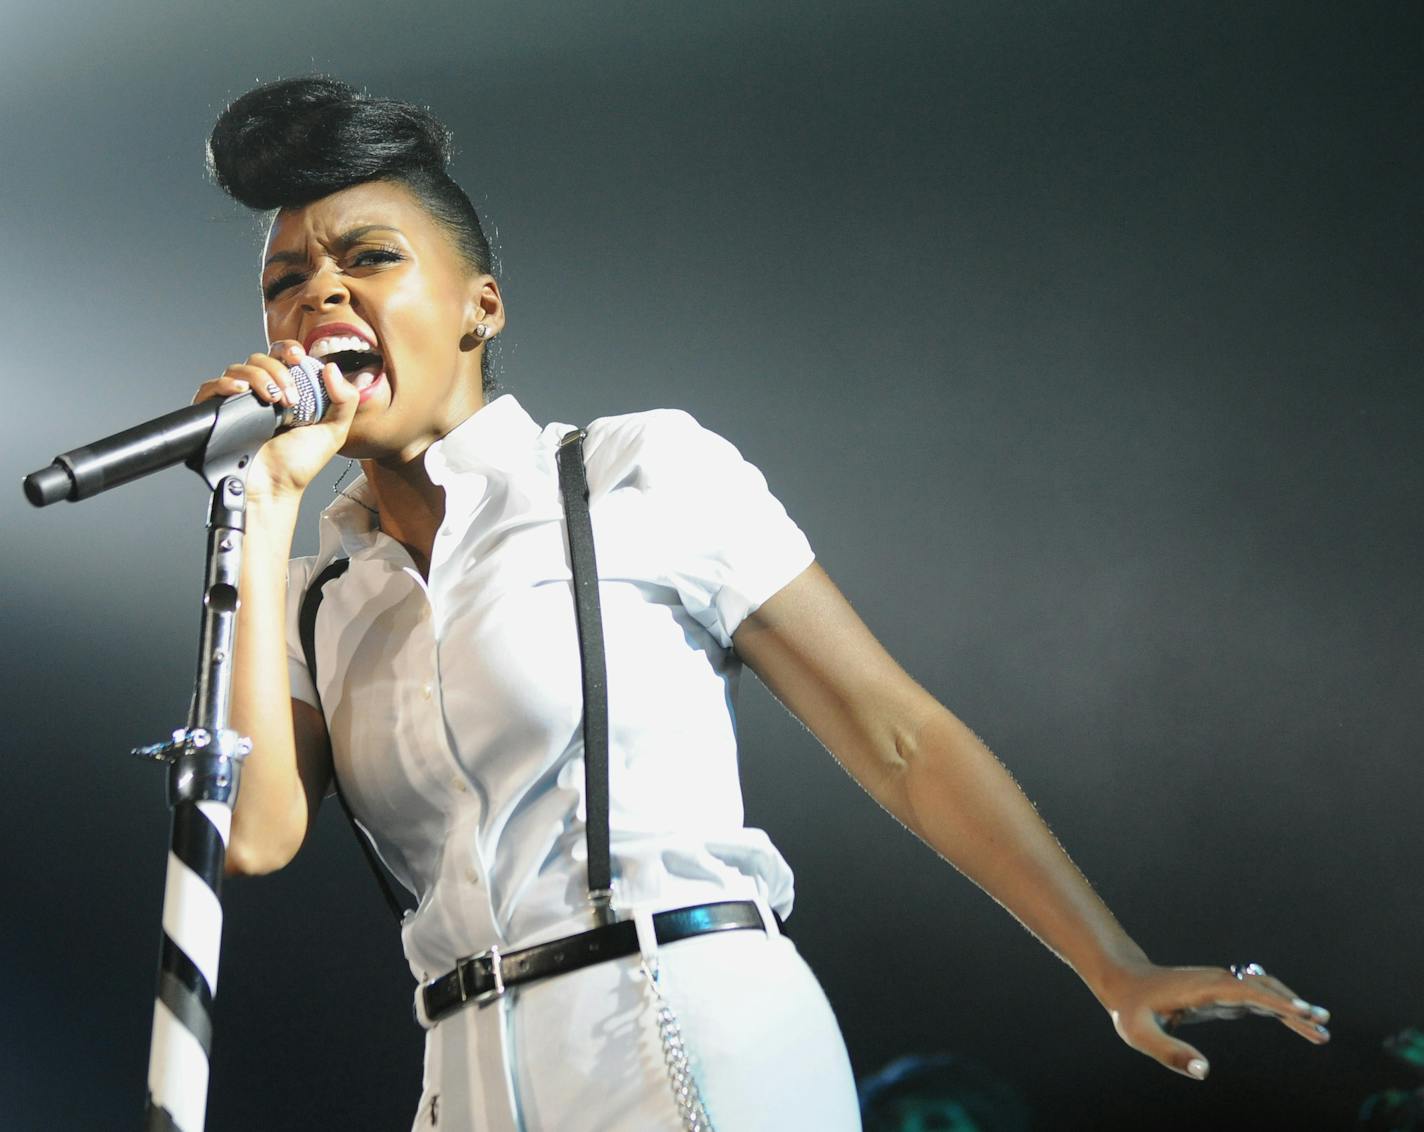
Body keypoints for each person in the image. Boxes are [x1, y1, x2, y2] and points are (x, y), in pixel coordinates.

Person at [198, 77, 1330, 1132]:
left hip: (680, 1025)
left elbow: (894, 733)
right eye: (285, 280)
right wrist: (267, 507)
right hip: (464, 1071)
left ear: (478, 308)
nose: (319, 293)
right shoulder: (312, 590)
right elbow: (250, 837)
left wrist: (1109, 962)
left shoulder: (632, 470)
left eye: (368, 257)